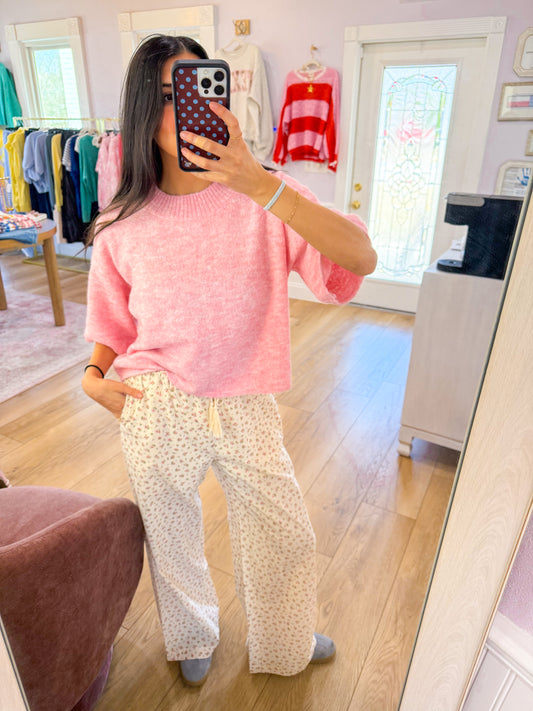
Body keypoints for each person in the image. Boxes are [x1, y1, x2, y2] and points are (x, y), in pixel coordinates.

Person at [82, 34, 376, 687]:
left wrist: (262, 185)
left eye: (196, 90)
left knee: (283, 532)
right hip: (157, 400)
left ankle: (286, 635)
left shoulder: (267, 196)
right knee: (170, 531)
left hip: (247, 397)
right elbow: (111, 319)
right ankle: (191, 632)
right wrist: (92, 376)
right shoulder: (120, 221)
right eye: (165, 96)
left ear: (220, 95)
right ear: (140, 110)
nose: (184, 110)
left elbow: (360, 259)